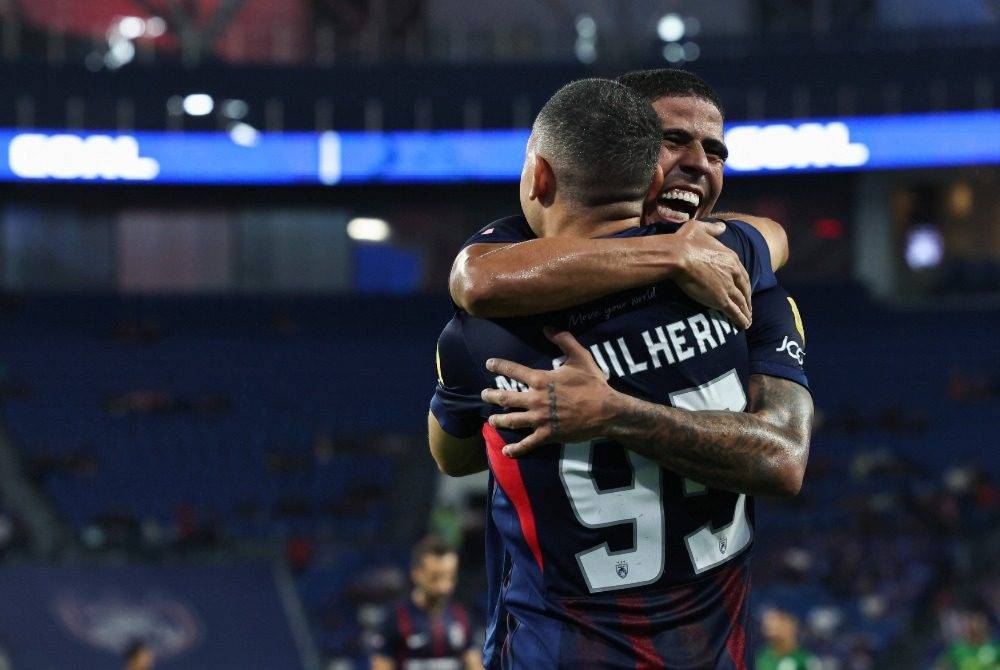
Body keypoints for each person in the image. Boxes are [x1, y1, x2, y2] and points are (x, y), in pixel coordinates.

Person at [428, 77, 811, 668]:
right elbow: (477, 278)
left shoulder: (488, 332)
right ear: (638, 167)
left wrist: (615, 412)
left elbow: (455, 458)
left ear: (543, 175)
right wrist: (673, 253)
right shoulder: (740, 273)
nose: (697, 166)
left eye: (714, 152)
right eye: (673, 142)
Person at [369, 536, 482, 670]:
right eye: (435, 578)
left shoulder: (462, 617)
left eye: (450, 577)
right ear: (416, 573)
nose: (444, 587)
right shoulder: (395, 619)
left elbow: (475, 665)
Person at [756, 607, 821, 670]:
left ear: (792, 625)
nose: (774, 627)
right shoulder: (764, 657)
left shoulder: (806, 659)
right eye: (768, 627)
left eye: (781, 621)